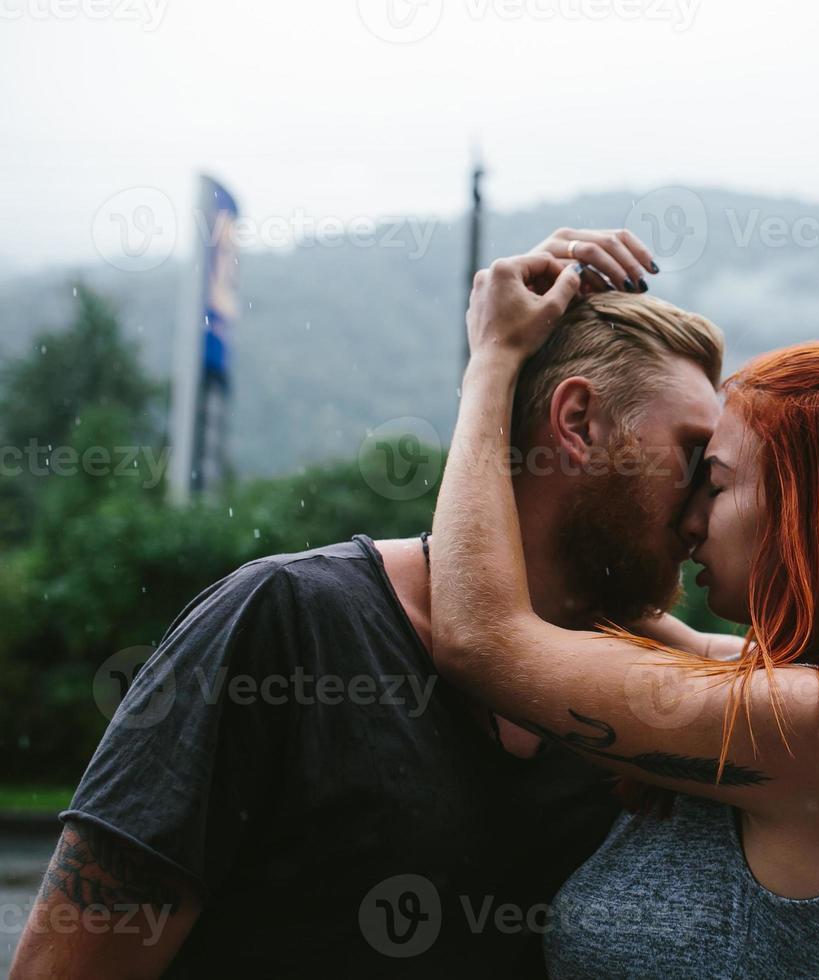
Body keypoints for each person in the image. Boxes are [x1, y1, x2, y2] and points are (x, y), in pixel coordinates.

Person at [11, 228, 739, 979]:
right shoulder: (286, 622)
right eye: (690, 458)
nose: (701, 514)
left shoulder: (629, 696)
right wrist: (494, 357)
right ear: (579, 423)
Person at [428, 251, 819, 977]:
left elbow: (485, 638)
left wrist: (493, 359)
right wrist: (565, 326)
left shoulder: (816, 726)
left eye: (719, 483)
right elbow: (596, 603)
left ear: (809, 516)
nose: (692, 518)